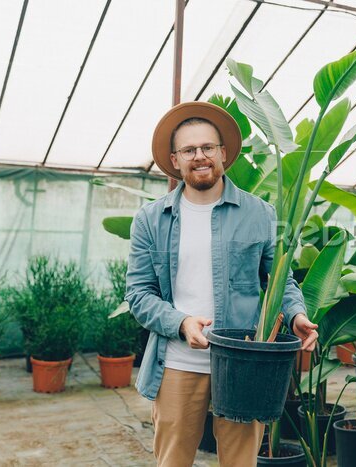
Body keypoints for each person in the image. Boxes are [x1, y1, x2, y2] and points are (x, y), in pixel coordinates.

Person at [125, 101, 318, 467]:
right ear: (175, 159)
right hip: (179, 362)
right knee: (172, 461)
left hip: (245, 363)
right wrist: (181, 323)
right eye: (189, 150)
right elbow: (138, 294)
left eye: (208, 147)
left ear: (224, 154)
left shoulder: (260, 213)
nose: (200, 156)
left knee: (240, 462)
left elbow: (280, 279)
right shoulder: (151, 219)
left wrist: (296, 315)